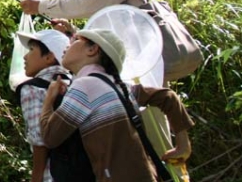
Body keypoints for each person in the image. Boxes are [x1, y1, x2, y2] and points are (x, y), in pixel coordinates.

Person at [40, 29, 193, 182]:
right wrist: (183, 145)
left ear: (92, 50)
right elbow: (168, 96)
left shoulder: (84, 86)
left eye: (75, 40)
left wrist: (49, 98)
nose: (68, 45)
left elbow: (50, 136)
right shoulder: (121, 87)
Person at [15, 30, 72, 182]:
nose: (25, 56)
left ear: (49, 57)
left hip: (52, 174)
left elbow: (40, 139)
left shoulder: (32, 89)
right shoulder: (74, 83)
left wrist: (36, 177)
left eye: (31, 49)